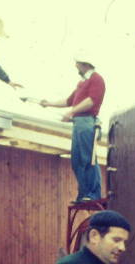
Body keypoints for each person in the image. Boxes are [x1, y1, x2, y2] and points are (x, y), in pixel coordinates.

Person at [34, 56, 106, 203]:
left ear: (85, 63)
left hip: (86, 122)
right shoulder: (82, 83)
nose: (76, 66)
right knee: (77, 160)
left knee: (88, 158)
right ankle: (84, 194)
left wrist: (72, 112)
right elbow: (69, 101)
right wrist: (49, 104)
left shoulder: (97, 79)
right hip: (78, 123)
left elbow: (91, 101)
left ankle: (93, 194)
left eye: (77, 63)